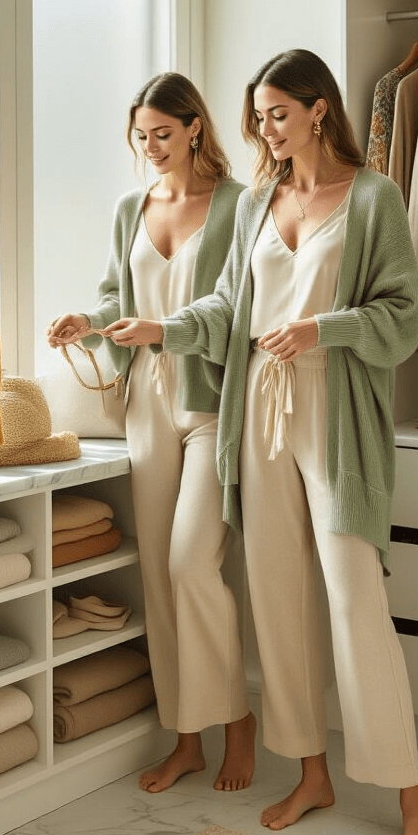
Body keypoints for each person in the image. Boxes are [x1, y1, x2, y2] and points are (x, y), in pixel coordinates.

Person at [103, 49, 418, 835]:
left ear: (320, 109)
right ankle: (311, 774)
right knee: (279, 600)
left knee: (355, 599)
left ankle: (413, 800)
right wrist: (160, 329)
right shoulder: (258, 200)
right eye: (257, 117)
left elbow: (406, 314)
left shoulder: (373, 196)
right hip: (255, 405)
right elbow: (228, 306)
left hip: (331, 405)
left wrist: (324, 328)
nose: (265, 130)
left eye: (278, 115)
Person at [48, 73, 255, 794]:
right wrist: (89, 321)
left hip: (209, 402)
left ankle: (237, 723)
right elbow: (117, 296)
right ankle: (186, 738)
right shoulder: (130, 208)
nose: (151, 147)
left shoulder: (239, 205)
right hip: (145, 399)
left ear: (196, 127)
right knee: (159, 580)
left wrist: (163, 329)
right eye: (141, 136)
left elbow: (239, 308)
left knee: (191, 565)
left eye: (163, 134)